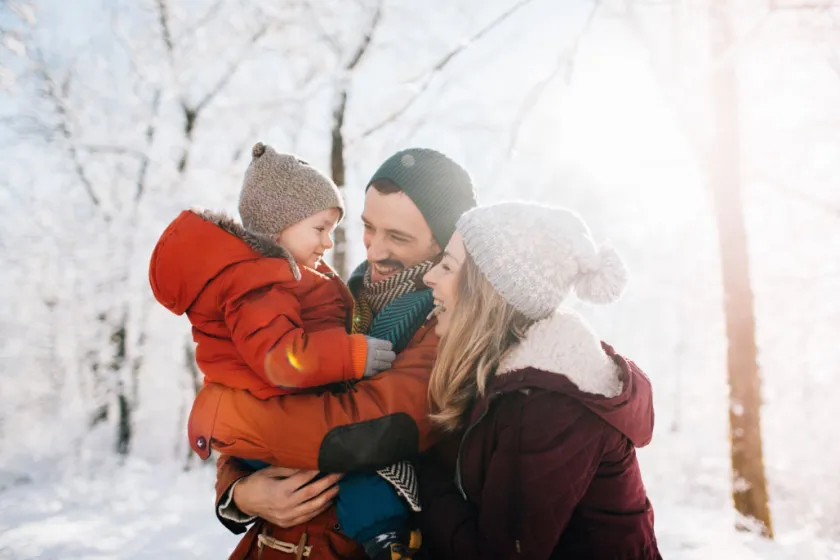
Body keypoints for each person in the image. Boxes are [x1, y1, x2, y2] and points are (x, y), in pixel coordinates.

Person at [187, 148, 478, 559]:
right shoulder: (332, 296)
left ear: (443, 242)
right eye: (368, 228)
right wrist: (241, 493)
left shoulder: (447, 326)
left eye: (398, 237)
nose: (374, 251)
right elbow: (261, 385)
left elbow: (366, 428)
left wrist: (229, 416)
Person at [149, 142, 418, 558]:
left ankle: (386, 537)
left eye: (398, 234)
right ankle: (386, 541)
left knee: (356, 473)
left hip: (287, 447)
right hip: (276, 477)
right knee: (354, 477)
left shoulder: (290, 279)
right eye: (320, 228)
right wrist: (239, 495)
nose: (330, 243)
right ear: (279, 228)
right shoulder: (261, 284)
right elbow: (281, 358)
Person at [413, 201, 660, 559]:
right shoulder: (502, 375)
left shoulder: (550, 406)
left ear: (488, 291)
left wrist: (415, 473)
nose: (430, 276)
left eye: (448, 266)